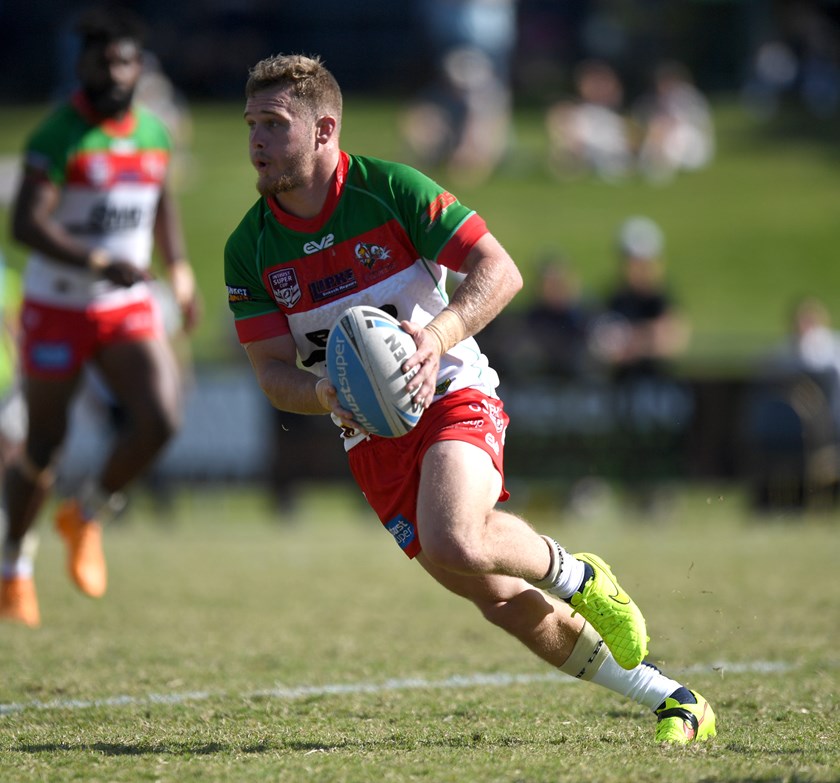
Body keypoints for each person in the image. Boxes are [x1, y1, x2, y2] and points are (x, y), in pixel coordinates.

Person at [224, 53, 715, 744]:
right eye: (252, 124)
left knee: (457, 534)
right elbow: (273, 372)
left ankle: (581, 576)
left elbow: (500, 270)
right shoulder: (249, 248)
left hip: (453, 391)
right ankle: (674, 697)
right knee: (499, 597)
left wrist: (437, 336)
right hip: (370, 437)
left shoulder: (391, 189)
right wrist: (324, 390)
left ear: (324, 128)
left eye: (274, 124)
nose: (257, 140)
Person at [0, 6, 200, 628]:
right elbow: (25, 223)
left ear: (139, 67)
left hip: (123, 306)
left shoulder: (154, 133)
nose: (112, 72)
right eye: (100, 61)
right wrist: (96, 260)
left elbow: (159, 203)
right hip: (58, 305)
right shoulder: (58, 135)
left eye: (123, 61)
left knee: (161, 418)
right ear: (82, 65)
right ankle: (13, 564)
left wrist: (180, 269)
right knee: (44, 444)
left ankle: (85, 512)